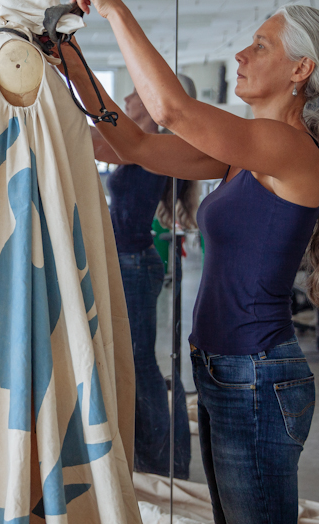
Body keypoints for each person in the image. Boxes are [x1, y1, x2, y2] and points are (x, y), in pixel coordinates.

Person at [64, 0, 319, 524]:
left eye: (260, 46)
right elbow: (135, 144)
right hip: (225, 369)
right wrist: (72, 64)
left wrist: (113, 8)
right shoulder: (245, 151)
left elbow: (170, 111)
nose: (242, 53)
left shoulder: (288, 147)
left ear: (301, 70)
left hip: (257, 375)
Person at [90, 90, 192, 479]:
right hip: (129, 261)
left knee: (140, 363)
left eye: (133, 98)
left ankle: (160, 461)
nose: (126, 100)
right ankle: (160, 457)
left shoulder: (151, 148)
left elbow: (97, 142)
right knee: (138, 361)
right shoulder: (145, 146)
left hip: (134, 263)